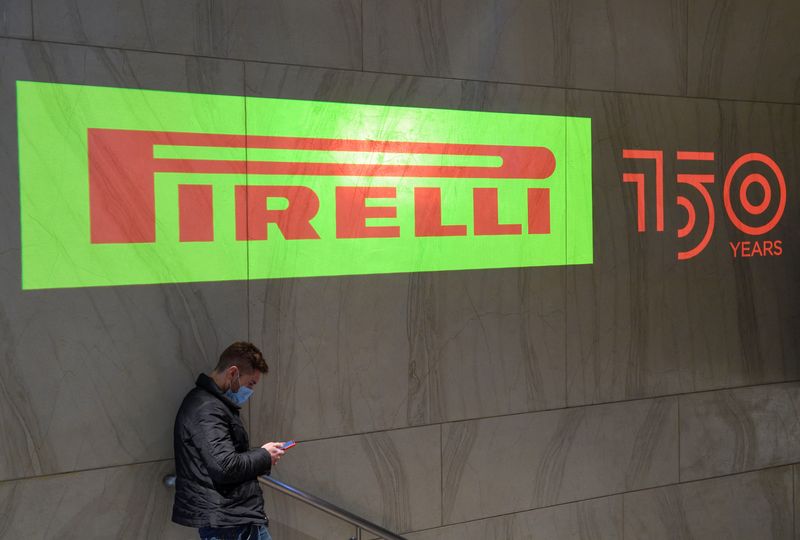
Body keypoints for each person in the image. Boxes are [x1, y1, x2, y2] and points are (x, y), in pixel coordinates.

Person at [172, 341, 285, 540]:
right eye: (250, 384)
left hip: (233, 519)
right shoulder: (207, 409)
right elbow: (225, 466)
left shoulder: (213, 405)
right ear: (233, 373)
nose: (251, 392)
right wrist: (264, 455)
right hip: (230, 525)